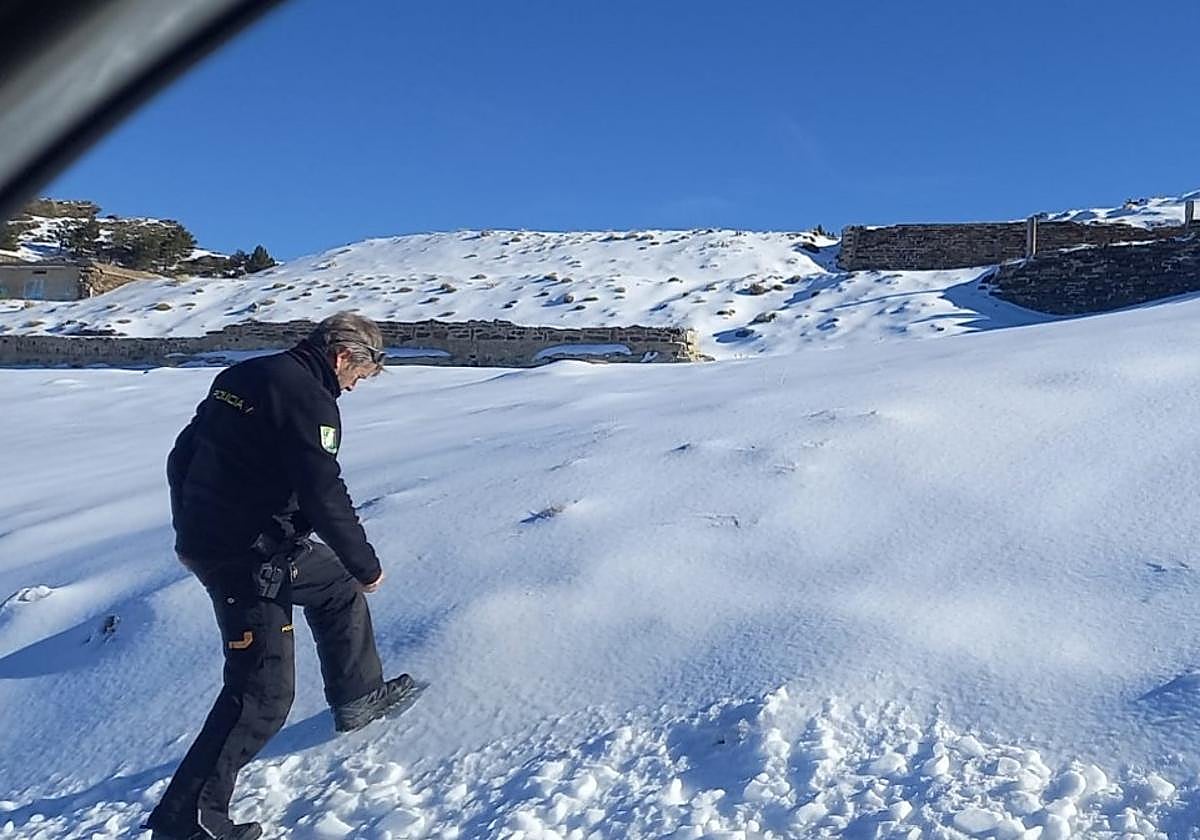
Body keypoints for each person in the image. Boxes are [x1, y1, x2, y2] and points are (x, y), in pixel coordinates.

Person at [145, 312, 417, 840]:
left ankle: (358, 697)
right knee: (263, 695)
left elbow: (182, 457)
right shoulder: (310, 400)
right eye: (358, 376)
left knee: (334, 586)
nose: (355, 386)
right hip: (247, 559)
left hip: (233, 542)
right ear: (343, 357)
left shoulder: (243, 376)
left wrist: (188, 534)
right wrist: (367, 563)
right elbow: (323, 492)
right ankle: (187, 821)